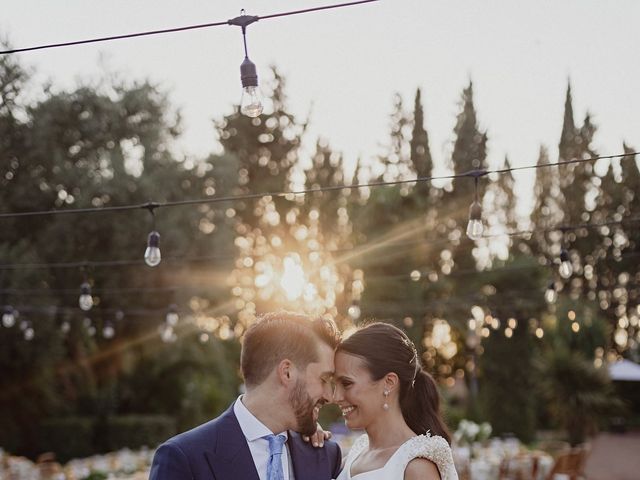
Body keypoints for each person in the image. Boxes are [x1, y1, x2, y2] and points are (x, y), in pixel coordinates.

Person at [150, 311, 342, 480]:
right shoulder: (184, 459)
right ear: (287, 372)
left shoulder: (325, 456)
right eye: (324, 379)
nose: (330, 396)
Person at [333, 322, 458, 480]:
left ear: (389, 383)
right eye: (334, 384)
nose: (335, 397)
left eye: (346, 383)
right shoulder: (355, 456)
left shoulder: (417, 468)